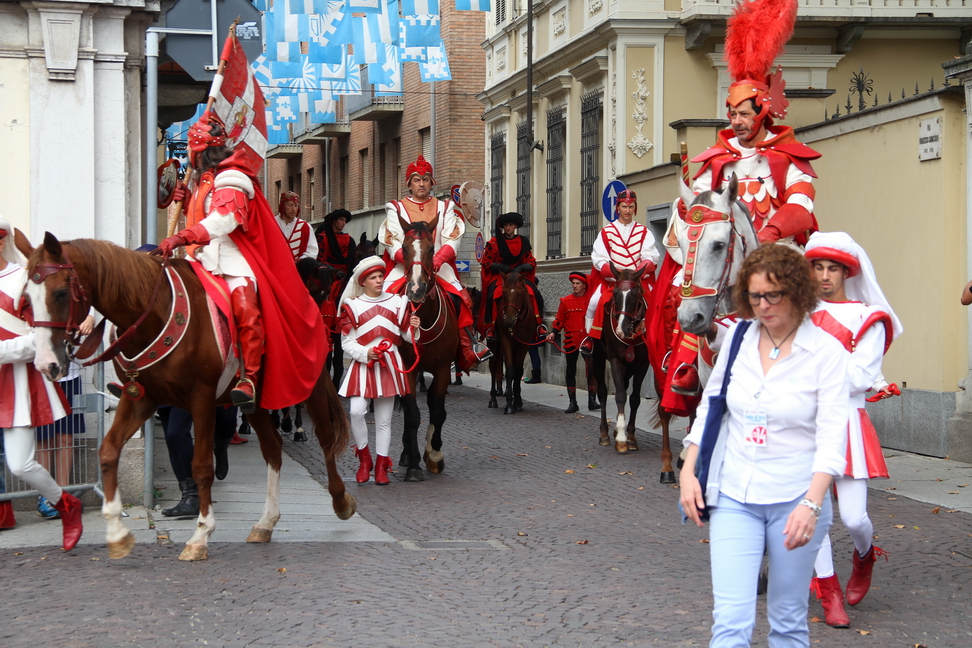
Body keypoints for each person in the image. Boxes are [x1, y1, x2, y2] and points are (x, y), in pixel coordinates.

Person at [679, 244, 849, 648]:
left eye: (773, 295)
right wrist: (688, 470)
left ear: (796, 291)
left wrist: (812, 504)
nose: (764, 306)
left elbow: (831, 437)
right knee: (731, 621)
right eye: (755, 296)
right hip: (736, 494)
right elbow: (710, 408)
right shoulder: (738, 338)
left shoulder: (826, 352)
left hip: (796, 498)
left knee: (788, 620)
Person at [660, 0, 821, 399]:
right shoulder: (715, 158)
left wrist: (769, 234)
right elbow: (698, 205)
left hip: (777, 249)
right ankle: (685, 365)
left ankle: (822, 364)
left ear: (763, 111)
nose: (736, 121)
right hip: (724, 252)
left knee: (818, 291)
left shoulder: (787, 154)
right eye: (731, 113)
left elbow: (802, 205)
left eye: (744, 114)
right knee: (689, 292)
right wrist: (688, 216)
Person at [160, 111, 326, 415]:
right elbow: (197, 218)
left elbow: (224, 221)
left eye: (192, 151)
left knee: (246, 307)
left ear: (200, 151)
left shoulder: (232, 178)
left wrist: (182, 236)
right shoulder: (200, 182)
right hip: (197, 259)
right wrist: (182, 202)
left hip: (230, 260)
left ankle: (248, 377)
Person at [803, 231, 903, 627]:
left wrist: (807, 366)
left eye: (833, 268)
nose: (825, 276)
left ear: (847, 272)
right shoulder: (793, 312)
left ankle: (864, 556)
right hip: (802, 422)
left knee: (855, 518)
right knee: (815, 512)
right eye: (818, 267)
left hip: (846, 422)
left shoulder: (868, 318)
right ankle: (829, 594)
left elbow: (859, 377)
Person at [0, 217, 84, 550]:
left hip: (17, 383)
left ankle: (66, 504)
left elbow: (41, 339)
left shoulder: (22, 279)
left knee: (20, 464)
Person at [379, 154, 489, 372]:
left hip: (437, 262)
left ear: (431, 183)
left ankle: (468, 346)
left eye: (426, 179)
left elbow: (452, 237)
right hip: (405, 264)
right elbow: (392, 240)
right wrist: (412, 263)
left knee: (460, 296)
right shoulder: (395, 208)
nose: (421, 183)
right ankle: (382, 344)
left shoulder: (445, 207)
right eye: (417, 179)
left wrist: (436, 260)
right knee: (384, 294)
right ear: (409, 184)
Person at [338, 256, 419, 485]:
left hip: (390, 365)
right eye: (373, 278)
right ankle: (365, 460)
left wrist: (414, 329)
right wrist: (366, 354)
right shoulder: (352, 305)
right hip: (364, 365)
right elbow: (347, 342)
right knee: (356, 411)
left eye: (381, 276)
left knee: (384, 420)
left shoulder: (399, 302)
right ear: (363, 282)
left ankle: (382, 466)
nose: (379, 280)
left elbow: (406, 337)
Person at [579, 190, 658, 355]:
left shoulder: (644, 232)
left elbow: (651, 256)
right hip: (613, 280)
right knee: (594, 302)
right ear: (618, 208)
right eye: (624, 206)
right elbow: (599, 258)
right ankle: (590, 338)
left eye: (631, 206)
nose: (627, 210)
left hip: (637, 281)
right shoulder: (607, 231)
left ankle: (658, 339)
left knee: (656, 303)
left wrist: (639, 270)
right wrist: (615, 272)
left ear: (635, 207)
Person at [34, 314, 93, 519]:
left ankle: (62, 493)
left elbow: (86, 295)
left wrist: (91, 317)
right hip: (43, 373)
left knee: (66, 436)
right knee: (44, 437)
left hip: (70, 372)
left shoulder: (72, 283)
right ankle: (45, 495)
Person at [479, 212, 545, 382]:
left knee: (534, 293)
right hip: (501, 276)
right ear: (503, 227)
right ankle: (491, 326)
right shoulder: (493, 243)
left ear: (516, 227)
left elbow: (531, 261)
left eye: (511, 225)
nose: (508, 228)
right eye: (506, 225)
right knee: (493, 293)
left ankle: (539, 324)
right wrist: (501, 267)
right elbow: (486, 262)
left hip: (518, 276)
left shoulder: (523, 242)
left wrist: (520, 268)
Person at [547, 272, 599, 412]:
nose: (575, 286)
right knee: (570, 371)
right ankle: (572, 402)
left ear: (584, 286)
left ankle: (592, 401)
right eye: (573, 283)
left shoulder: (591, 300)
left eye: (578, 283)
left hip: (588, 340)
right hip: (571, 340)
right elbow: (559, 320)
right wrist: (553, 333)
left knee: (592, 371)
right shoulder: (565, 301)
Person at [316, 208, 356, 387]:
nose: (343, 223)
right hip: (328, 281)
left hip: (345, 280)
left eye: (344, 220)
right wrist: (332, 272)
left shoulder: (349, 240)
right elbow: (318, 260)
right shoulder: (323, 238)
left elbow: (354, 263)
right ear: (333, 221)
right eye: (340, 220)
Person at [274, 191, 318, 262]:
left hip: (297, 270)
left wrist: (299, 262)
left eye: (296, 206)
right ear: (282, 206)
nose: (294, 209)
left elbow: (312, 252)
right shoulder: (272, 224)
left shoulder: (305, 227)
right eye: (290, 205)